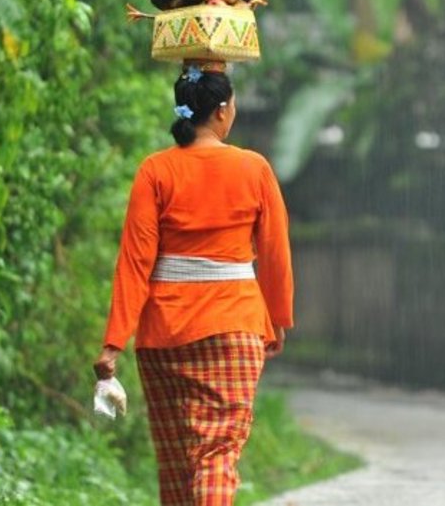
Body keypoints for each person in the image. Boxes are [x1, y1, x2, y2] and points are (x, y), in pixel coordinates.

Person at [93, 63, 294, 506]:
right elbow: (276, 254)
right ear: (222, 111)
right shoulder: (254, 168)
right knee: (217, 454)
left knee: (177, 461)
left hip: (163, 335)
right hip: (233, 328)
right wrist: (277, 319)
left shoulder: (155, 171)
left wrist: (114, 342)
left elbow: (134, 260)